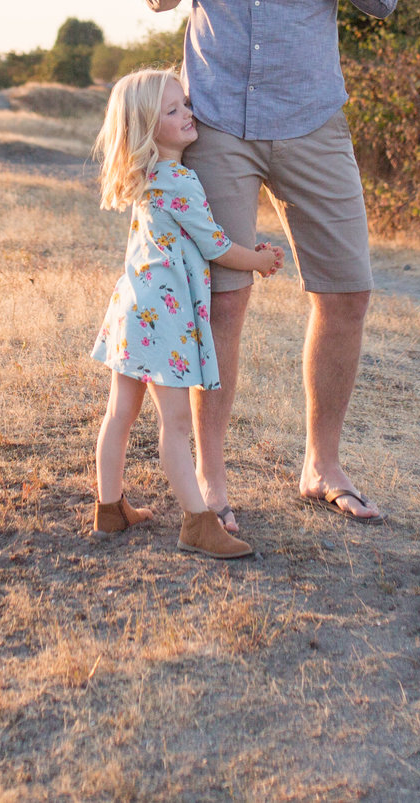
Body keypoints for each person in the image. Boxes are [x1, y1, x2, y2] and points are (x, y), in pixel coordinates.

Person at [139, 0, 403, 526]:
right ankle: (213, 481)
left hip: (311, 114)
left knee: (347, 290)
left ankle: (322, 461)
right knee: (223, 299)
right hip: (217, 115)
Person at [86, 68, 286, 559]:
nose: (187, 114)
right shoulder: (178, 179)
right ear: (146, 127)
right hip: (165, 320)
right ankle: (197, 523)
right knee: (174, 425)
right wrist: (259, 261)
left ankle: (109, 510)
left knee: (120, 413)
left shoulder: (147, 176)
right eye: (172, 111)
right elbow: (215, 246)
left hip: (134, 311)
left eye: (184, 105)